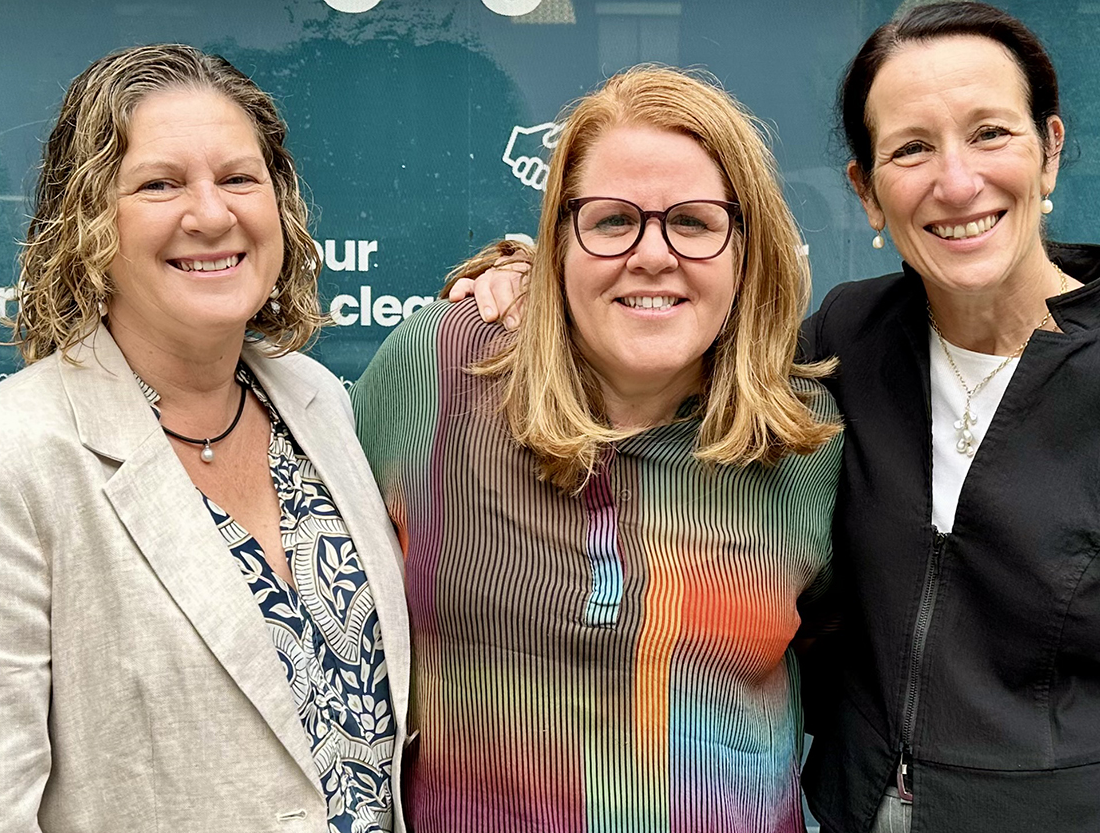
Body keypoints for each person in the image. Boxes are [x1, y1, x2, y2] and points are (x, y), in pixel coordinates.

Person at [458, 4, 1100, 833]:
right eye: (910, 149)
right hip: (851, 807)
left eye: (990, 132)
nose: (956, 181)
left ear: (1049, 150)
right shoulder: (845, 340)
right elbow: (677, 343)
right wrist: (534, 278)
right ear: (867, 192)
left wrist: (1083, 763)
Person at [0, 45, 409, 833]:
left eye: (238, 178)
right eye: (159, 184)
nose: (209, 214)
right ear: (87, 220)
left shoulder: (321, 403)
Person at [352, 66, 844, 833]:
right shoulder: (438, 370)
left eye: (693, 221)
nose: (652, 254)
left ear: (747, 249)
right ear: (556, 242)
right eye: (612, 220)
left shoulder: (805, 443)